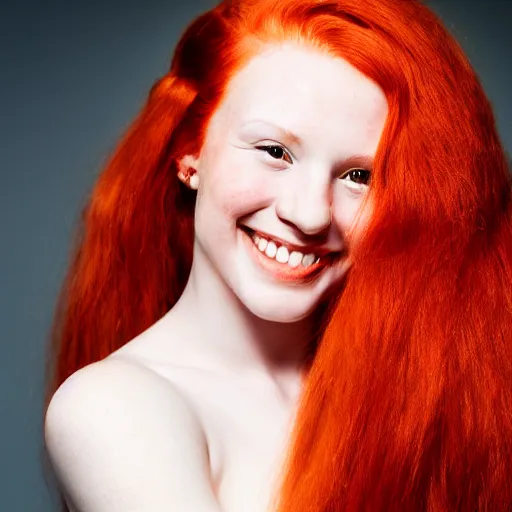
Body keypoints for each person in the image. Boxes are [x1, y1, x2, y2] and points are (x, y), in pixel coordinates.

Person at [42, 0, 512, 510]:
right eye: (274, 151)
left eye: (360, 176)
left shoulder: (417, 393)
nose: (310, 215)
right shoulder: (112, 407)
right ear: (189, 150)